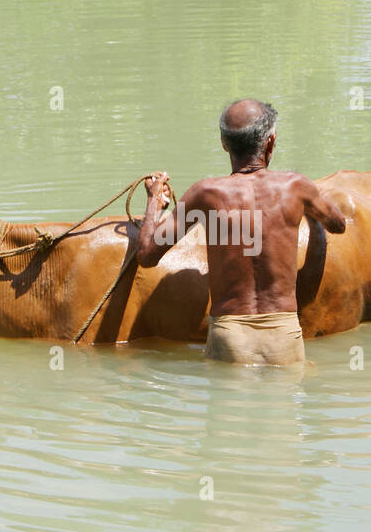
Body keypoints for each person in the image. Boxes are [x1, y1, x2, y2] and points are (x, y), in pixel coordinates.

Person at [135, 99, 347, 365]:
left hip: (230, 337)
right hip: (283, 335)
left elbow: (146, 255)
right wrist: (310, 202)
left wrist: (154, 201)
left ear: (224, 144)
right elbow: (338, 224)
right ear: (270, 142)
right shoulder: (296, 187)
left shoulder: (205, 194)